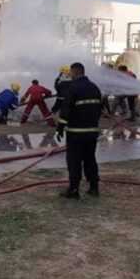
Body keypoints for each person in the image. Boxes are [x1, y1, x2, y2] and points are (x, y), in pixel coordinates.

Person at [56, 62, 103, 199]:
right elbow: (99, 108)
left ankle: (74, 190)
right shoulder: (94, 87)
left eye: (71, 73)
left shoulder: (73, 88)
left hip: (76, 132)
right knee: (90, 159)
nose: (70, 75)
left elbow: (65, 110)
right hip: (92, 132)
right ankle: (94, 188)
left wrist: (60, 128)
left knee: (74, 161)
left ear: (75, 72)